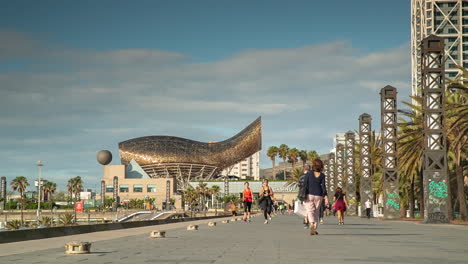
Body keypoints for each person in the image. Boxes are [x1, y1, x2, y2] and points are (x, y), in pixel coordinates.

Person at [304, 159, 328, 235]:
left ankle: (311, 223)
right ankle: (315, 226)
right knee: (317, 211)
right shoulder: (322, 175)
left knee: (310, 210)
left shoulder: (309, 173)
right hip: (319, 195)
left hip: (309, 194)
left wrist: (303, 194)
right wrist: (326, 196)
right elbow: (323, 187)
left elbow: (305, 184)